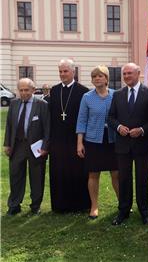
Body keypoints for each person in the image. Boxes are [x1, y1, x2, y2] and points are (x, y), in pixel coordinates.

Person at [108, 63, 148, 225]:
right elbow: (111, 117)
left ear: (138, 73)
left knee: (142, 179)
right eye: (124, 74)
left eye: (130, 73)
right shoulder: (118, 94)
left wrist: (142, 130)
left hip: (141, 144)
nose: (127, 76)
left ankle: (144, 211)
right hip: (123, 145)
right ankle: (123, 211)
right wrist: (119, 127)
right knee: (124, 179)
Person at [76, 65, 119, 219]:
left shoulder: (116, 95)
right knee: (94, 174)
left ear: (106, 78)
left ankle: (122, 204)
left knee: (116, 173)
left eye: (100, 76)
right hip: (93, 140)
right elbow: (81, 121)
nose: (97, 79)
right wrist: (79, 143)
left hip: (113, 140)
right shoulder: (87, 97)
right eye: (94, 77)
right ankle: (94, 206)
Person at [49, 58, 91, 213]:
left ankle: (80, 204)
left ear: (73, 72)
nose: (62, 74)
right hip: (57, 139)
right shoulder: (54, 90)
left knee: (77, 171)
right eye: (60, 71)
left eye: (65, 71)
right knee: (59, 171)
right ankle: (60, 205)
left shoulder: (83, 91)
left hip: (76, 138)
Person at [3, 78, 50, 215]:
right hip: (17, 145)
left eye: (26, 90)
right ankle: (14, 205)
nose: (23, 93)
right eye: (21, 90)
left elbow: (47, 128)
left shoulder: (42, 104)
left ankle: (35, 206)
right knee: (15, 175)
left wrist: (45, 147)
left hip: (36, 147)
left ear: (33, 90)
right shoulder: (14, 104)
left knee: (37, 177)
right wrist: (7, 144)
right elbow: (9, 125)